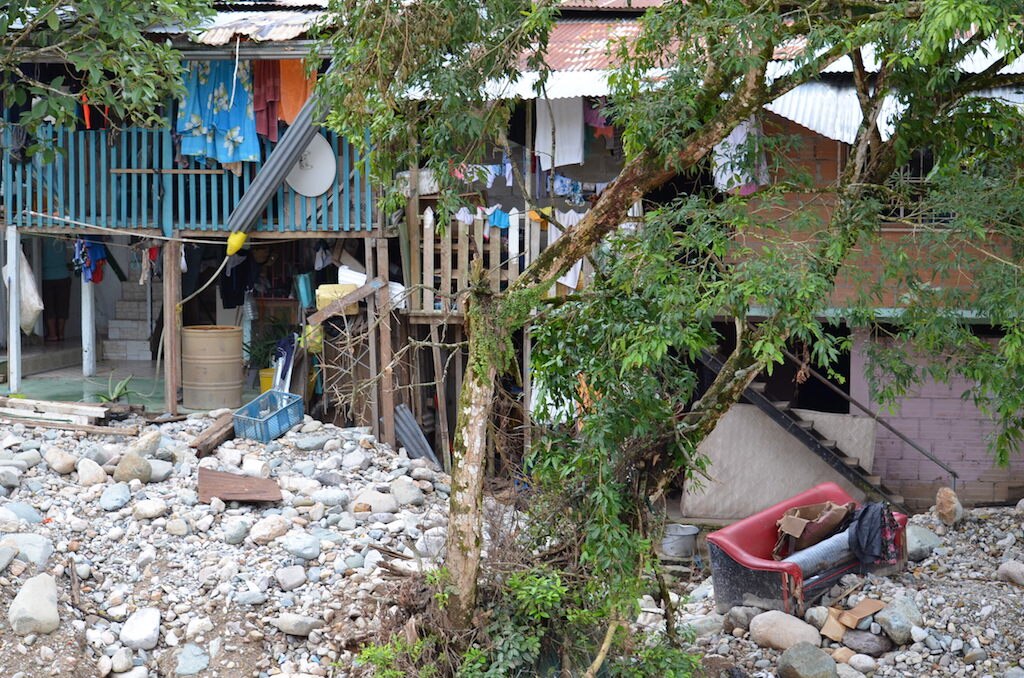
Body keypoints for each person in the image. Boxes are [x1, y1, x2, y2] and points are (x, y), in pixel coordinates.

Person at [41, 238, 71, 342]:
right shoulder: (63, 236)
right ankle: (61, 334)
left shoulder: (42, 238)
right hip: (64, 275)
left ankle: (53, 334)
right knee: (63, 306)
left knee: (49, 306)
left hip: (47, 276)